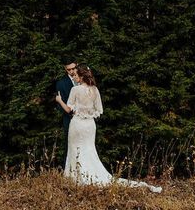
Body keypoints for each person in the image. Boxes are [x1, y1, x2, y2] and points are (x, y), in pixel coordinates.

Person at [55, 64, 162, 192]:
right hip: (89, 125)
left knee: (75, 150)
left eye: (76, 74)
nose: (74, 76)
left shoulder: (75, 90)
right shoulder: (95, 90)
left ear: (82, 76)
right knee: (89, 150)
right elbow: (99, 110)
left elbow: (68, 109)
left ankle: (77, 179)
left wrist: (59, 100)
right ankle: (90, 176)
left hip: (77, 124)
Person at [55, 59, 77, 168]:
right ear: (65, 69)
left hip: (83, 118)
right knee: (69, 145)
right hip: (69, 119)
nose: (72, 71)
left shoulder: (83, 81)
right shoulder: (61, 83)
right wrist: (71, 114)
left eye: (73, 68)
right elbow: (61, 105)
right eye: (69, 69)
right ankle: (68, 170)